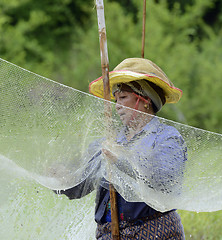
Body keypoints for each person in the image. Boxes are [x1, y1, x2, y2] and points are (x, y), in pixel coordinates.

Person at [59, 58, 187, 240]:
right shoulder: (108, 142)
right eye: (116, 99)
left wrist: (120, 160)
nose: (117, 106)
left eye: (123, 98)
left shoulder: (166, 138)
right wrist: (59, 178)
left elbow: (163, 180)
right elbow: (79, 185)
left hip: (155, 233)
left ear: (146, 101)